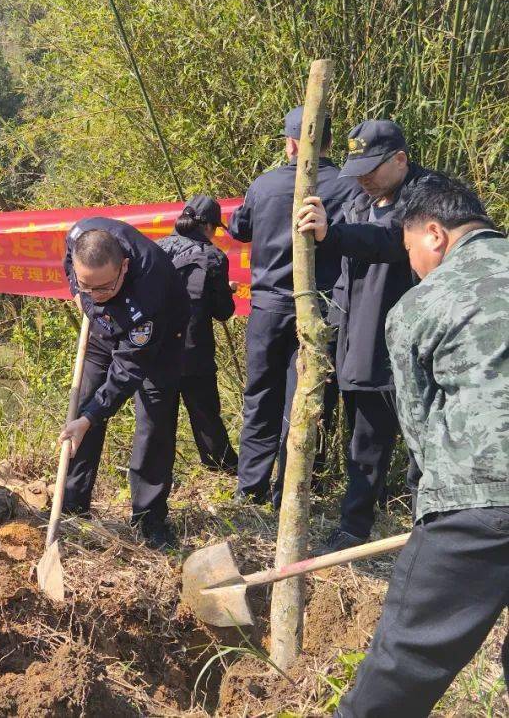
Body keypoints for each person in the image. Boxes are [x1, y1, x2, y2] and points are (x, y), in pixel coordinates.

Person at [335, 175, 508, 718]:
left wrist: (430, 516)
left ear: (434, 234)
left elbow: (421, 431)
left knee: (400, 668)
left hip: (479, 500)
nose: (412, 266)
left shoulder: (422, 304)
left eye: (409, 250)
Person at [297, 119, 441, 552]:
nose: (363, 177)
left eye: (372, 168)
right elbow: (347, 268)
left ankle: (429, 535)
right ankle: (354, 526)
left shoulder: (429, 198)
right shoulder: (360, 199)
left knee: (425, 444)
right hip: (360, 335)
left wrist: (333, 233)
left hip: (414, 343)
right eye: (357, 168)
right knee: (364, 440)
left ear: (400, 159)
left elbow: (391, 242)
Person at [228, 107, 359, 505]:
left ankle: (249, 489)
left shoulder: (264, 186)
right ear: (332, 143)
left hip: (267, 309)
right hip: (321, 310)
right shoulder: (349, 187)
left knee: (260, 398)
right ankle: (294, 488)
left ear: (290, 143)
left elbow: (239, 228)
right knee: (308, 398)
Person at [57, 217, 190, 549]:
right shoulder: (78, 236)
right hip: (103, 333)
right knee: (83, 410)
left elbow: (129, 370)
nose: (96, 294)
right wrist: (82, 295)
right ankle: (73, 503)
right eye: (88, 284)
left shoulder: (151, 288)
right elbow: (70, 269)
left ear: (124, 267)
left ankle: (150, 518)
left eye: (104, 287)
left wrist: (93, 416)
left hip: (156, 342)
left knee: (153, 424)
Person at [157, 195, 239, 472]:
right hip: (196, 354)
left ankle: (158, 480)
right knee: (206, 418)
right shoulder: (214, 256)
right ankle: (222, 471)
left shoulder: (156, 250)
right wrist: (228, 290)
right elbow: (223, 312)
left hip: (157, 352)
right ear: (208, 227)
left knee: (157, 425)